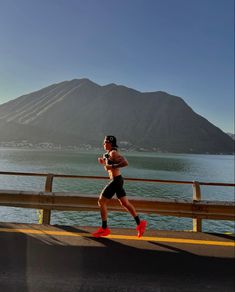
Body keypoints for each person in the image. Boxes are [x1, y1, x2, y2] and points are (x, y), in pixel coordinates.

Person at [92, 135, 147, 238]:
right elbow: (108, 167)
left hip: (116, 180)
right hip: (118, 180)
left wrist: (111, 166)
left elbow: (125, 162)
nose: (103, 144)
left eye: (105, 142)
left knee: (101, 201)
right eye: (103, 142)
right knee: (125, 203)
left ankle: (104, 229)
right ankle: (140, 224)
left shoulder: (113, 153)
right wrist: (103, 162)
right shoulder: (107, 154)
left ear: (110, 143)